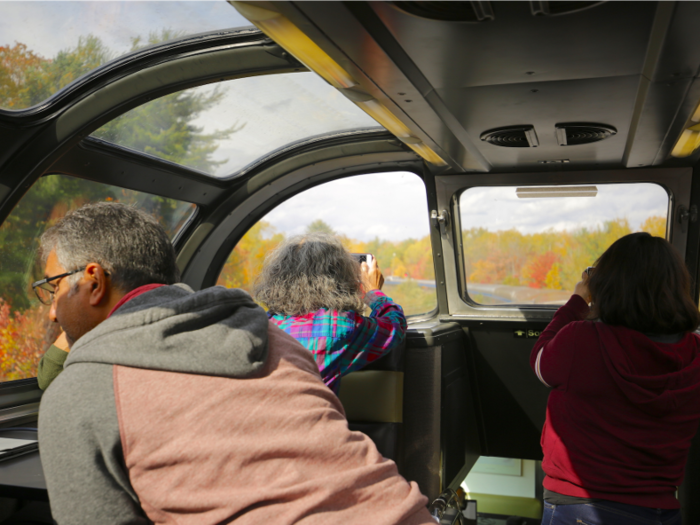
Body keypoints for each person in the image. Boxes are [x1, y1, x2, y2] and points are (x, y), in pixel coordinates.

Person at [36, 202, 434, 525]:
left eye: (53, 288)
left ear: (94, 280)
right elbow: (390, 328)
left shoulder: (79, 395)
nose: (52, 311)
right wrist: (374, 294)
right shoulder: (269, 337)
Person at [531, 232, 700, 525]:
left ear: (607, 286)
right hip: (660, 510)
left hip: (578, 505)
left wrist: (578, 301)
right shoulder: (696, 352)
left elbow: (539, 361)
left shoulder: (581, 340)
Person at [254, 233, 407, 394]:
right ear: (341, 277)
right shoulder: (340, 324)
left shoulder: (263, 325)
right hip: (312, 417)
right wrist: (372, 292)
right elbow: (396, 325)